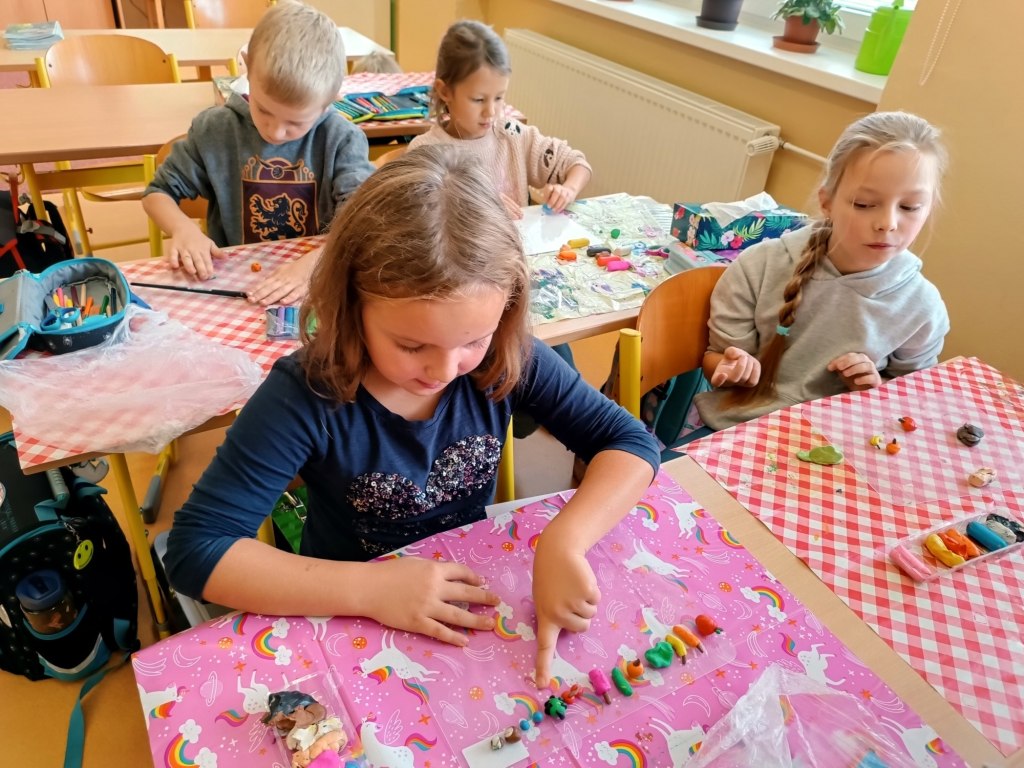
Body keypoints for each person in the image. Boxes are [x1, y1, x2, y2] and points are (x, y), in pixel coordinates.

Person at [165, 145, 659, 689]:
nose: (444, 370)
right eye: (410, 345)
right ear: (351, 306)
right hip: (348, 605)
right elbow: (197, 550)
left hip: (469, 592)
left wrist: (566, 540)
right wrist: (370, 590)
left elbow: (629, 443)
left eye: (472, 340)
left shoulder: (507, 355)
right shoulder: (304, 393)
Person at [696, 111, 950, 430]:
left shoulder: (922, 306)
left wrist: (873, 388)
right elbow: (715, 359)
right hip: (740, 428)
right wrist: (733, 368)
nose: (888, 223)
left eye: (910, 207)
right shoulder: (758, 266)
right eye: (864, 204)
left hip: (843, 439)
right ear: (827, 202)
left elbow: (910, 399)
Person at [142, 1, 375, 306]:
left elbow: (364, 222)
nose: (275, 132)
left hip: (317, 279)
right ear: (247, 67)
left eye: (295, 123)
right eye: (264, 110)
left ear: (329, 103)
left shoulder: (341, 139)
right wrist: (183, 229)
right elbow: (157, 193)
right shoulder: (216, 130)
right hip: (234, 285)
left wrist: (317, 262)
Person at [408, 19, 591, 216]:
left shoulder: (512, 135)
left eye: (499, 98)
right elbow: (418, 221)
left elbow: (577, 163)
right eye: (478, 99)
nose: (491, 112)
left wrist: (568, 190)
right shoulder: (425, 152)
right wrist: (480, 210)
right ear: (445, 91)